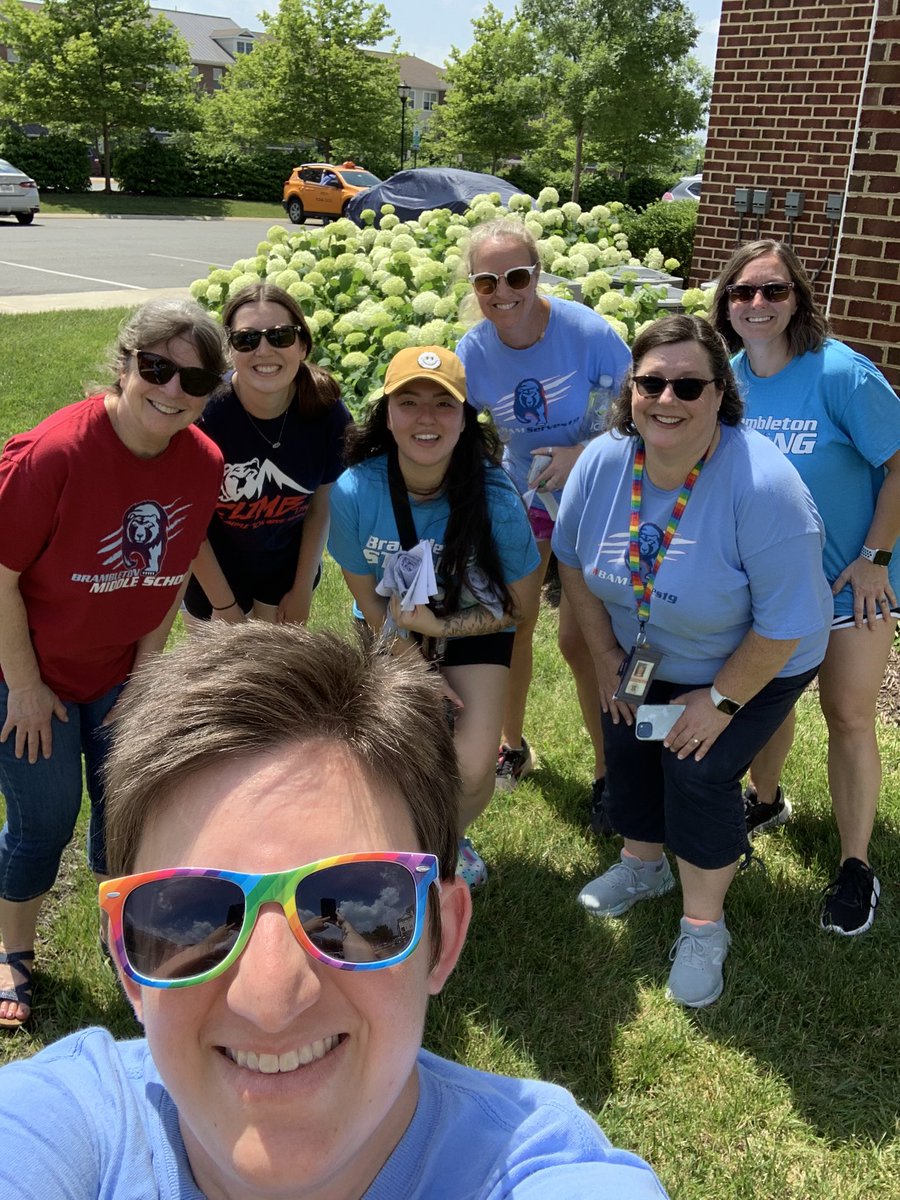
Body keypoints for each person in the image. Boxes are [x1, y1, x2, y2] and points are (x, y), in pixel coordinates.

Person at [0, 623, 671, 1199]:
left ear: (443, 938)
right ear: (126, 962)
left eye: (350, 905)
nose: (271, 1001)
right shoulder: (57, 1124)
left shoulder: (538, 1167)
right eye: (189, 916)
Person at [553, 315, 832, 1007]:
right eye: (651, 383)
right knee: (626, 735)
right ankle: (642, 864)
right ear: (631, 390)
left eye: (688, 385)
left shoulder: (764, 486)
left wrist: (719, 702)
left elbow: (785, 626)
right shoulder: (604, 462)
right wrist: (607, 653)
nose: (666, 399)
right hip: (650, 649)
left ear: (720, 394)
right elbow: (573, 561)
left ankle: (704, 927)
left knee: (697, 767)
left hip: (759, 657)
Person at [0, 298, 226, 1030]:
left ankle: (121, 932)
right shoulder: (55, 453)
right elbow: (0, 578)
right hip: (26, 670)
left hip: (118, 672)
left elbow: (172, 572)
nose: (173, 390)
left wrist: (144, 678)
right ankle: (12, 951)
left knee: (125, 810)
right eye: (157, 368)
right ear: (125, 363)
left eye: (195, 380)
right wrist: (25, 687)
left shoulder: (203, 463)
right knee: (44, 820)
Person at [711, 240, 900, 936]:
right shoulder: (728, 380)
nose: (757, 303)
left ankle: (856, 866)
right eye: (742, 292)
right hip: (773, 586)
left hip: (854, 581)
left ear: (799, 299)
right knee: (765, 698)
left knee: (847, 713)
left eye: (773, 290)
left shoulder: (841, 373)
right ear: (726, 304)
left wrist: (876, 557)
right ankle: (766, 800)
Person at [328, 346, 542, 887]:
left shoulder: (496, 498)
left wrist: (441, 629)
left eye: (444, 404)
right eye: (409, 402)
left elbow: (519, 607)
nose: (426, 418)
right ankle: (399, 838)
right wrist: (414, 661)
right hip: (389, 624)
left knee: (472, 765)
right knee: (393, 751)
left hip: (474, 626)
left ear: (465, 419)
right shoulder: (354, 491)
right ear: (387, 415)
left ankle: (447, 841)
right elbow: (366, 596)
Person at [456, 218, 631, 831]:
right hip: (526, 497)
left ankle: (610, 774)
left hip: (599, 495)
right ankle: (513, 746)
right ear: (474, 287)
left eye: (516, 277)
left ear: (537, 274)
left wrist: (582, 454)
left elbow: (645, 412)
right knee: (514, 624)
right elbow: (457, 428)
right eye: (486, 282)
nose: (503, 292)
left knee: (582, 641)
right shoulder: (474, 352)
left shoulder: (589, 333)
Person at [185, 282, 351, 626]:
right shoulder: (203, 415)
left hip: (287, 562)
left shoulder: (326, 411)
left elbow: (321, 506)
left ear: (302, 345)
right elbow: (190, 523)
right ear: (230, 350)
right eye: (246, 339)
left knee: (276, 658)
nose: (263, 350)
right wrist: (225, 606)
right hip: (214, 563)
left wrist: (302, 588)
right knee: (216, 659)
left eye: (279, 336)